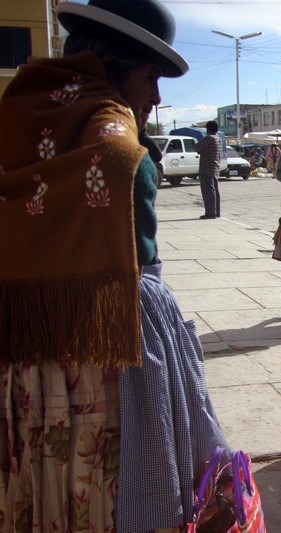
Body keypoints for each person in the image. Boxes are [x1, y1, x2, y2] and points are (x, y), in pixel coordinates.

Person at [0, 0, 230, 530]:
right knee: (126, 488)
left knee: (45, 481)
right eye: (150, 77)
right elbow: (144, 278)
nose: (155, 96)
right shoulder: (115, 140)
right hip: (107, 358)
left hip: (27, 366)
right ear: (109, 66)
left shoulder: (23, 117)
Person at [197, 119, 222, 218]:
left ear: (208, 129)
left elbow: (197, 148)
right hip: (215, 168)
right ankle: (217, 212)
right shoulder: (218, 139)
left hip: (206, 168)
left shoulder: (209, 138)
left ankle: (210, 213)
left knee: (208, 192)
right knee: (215, 190)